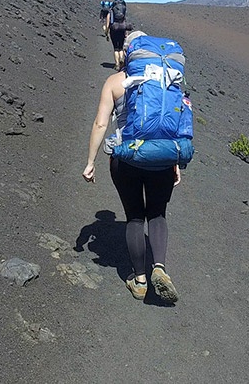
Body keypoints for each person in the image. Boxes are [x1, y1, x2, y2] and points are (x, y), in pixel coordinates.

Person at [82, 30, 181, 303]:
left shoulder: (115, 81)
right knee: (158, 214)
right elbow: (172, 121)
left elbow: (101, 123)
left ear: (128, 52)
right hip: (162, 157)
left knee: (135, 216)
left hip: (125, 159)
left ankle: (139, 281)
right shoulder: (168, 79)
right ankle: (159, 267)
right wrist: (174, 160)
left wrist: (91, 162)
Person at [107, 0, 132, 71]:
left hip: (113, 29)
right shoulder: (123, 12)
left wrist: (106, 32)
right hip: (122, 29)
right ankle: (121, 60)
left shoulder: (111, 12)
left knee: (116, 48)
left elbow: (108, 23)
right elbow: (125, 21)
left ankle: (117, 64)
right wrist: (126, 32)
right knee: (121, 47)